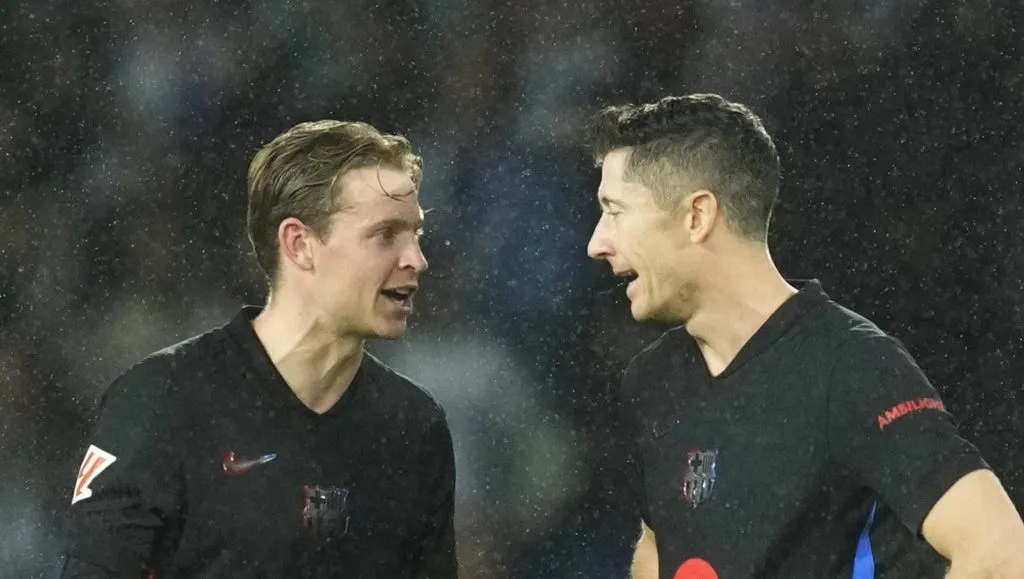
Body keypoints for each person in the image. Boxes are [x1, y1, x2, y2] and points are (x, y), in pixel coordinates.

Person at [584, 94, 1024, 579]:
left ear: (697, 216)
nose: (597, 243)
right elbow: (656, 549)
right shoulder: (653, 380)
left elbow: (999, 554)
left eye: (615, 211)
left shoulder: (850, 367)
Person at [60, 120, 458, 578]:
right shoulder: (162, 402)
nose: (417, 260)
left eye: (417, 234)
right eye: (386, 234)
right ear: (299, 244)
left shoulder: (414, 426)